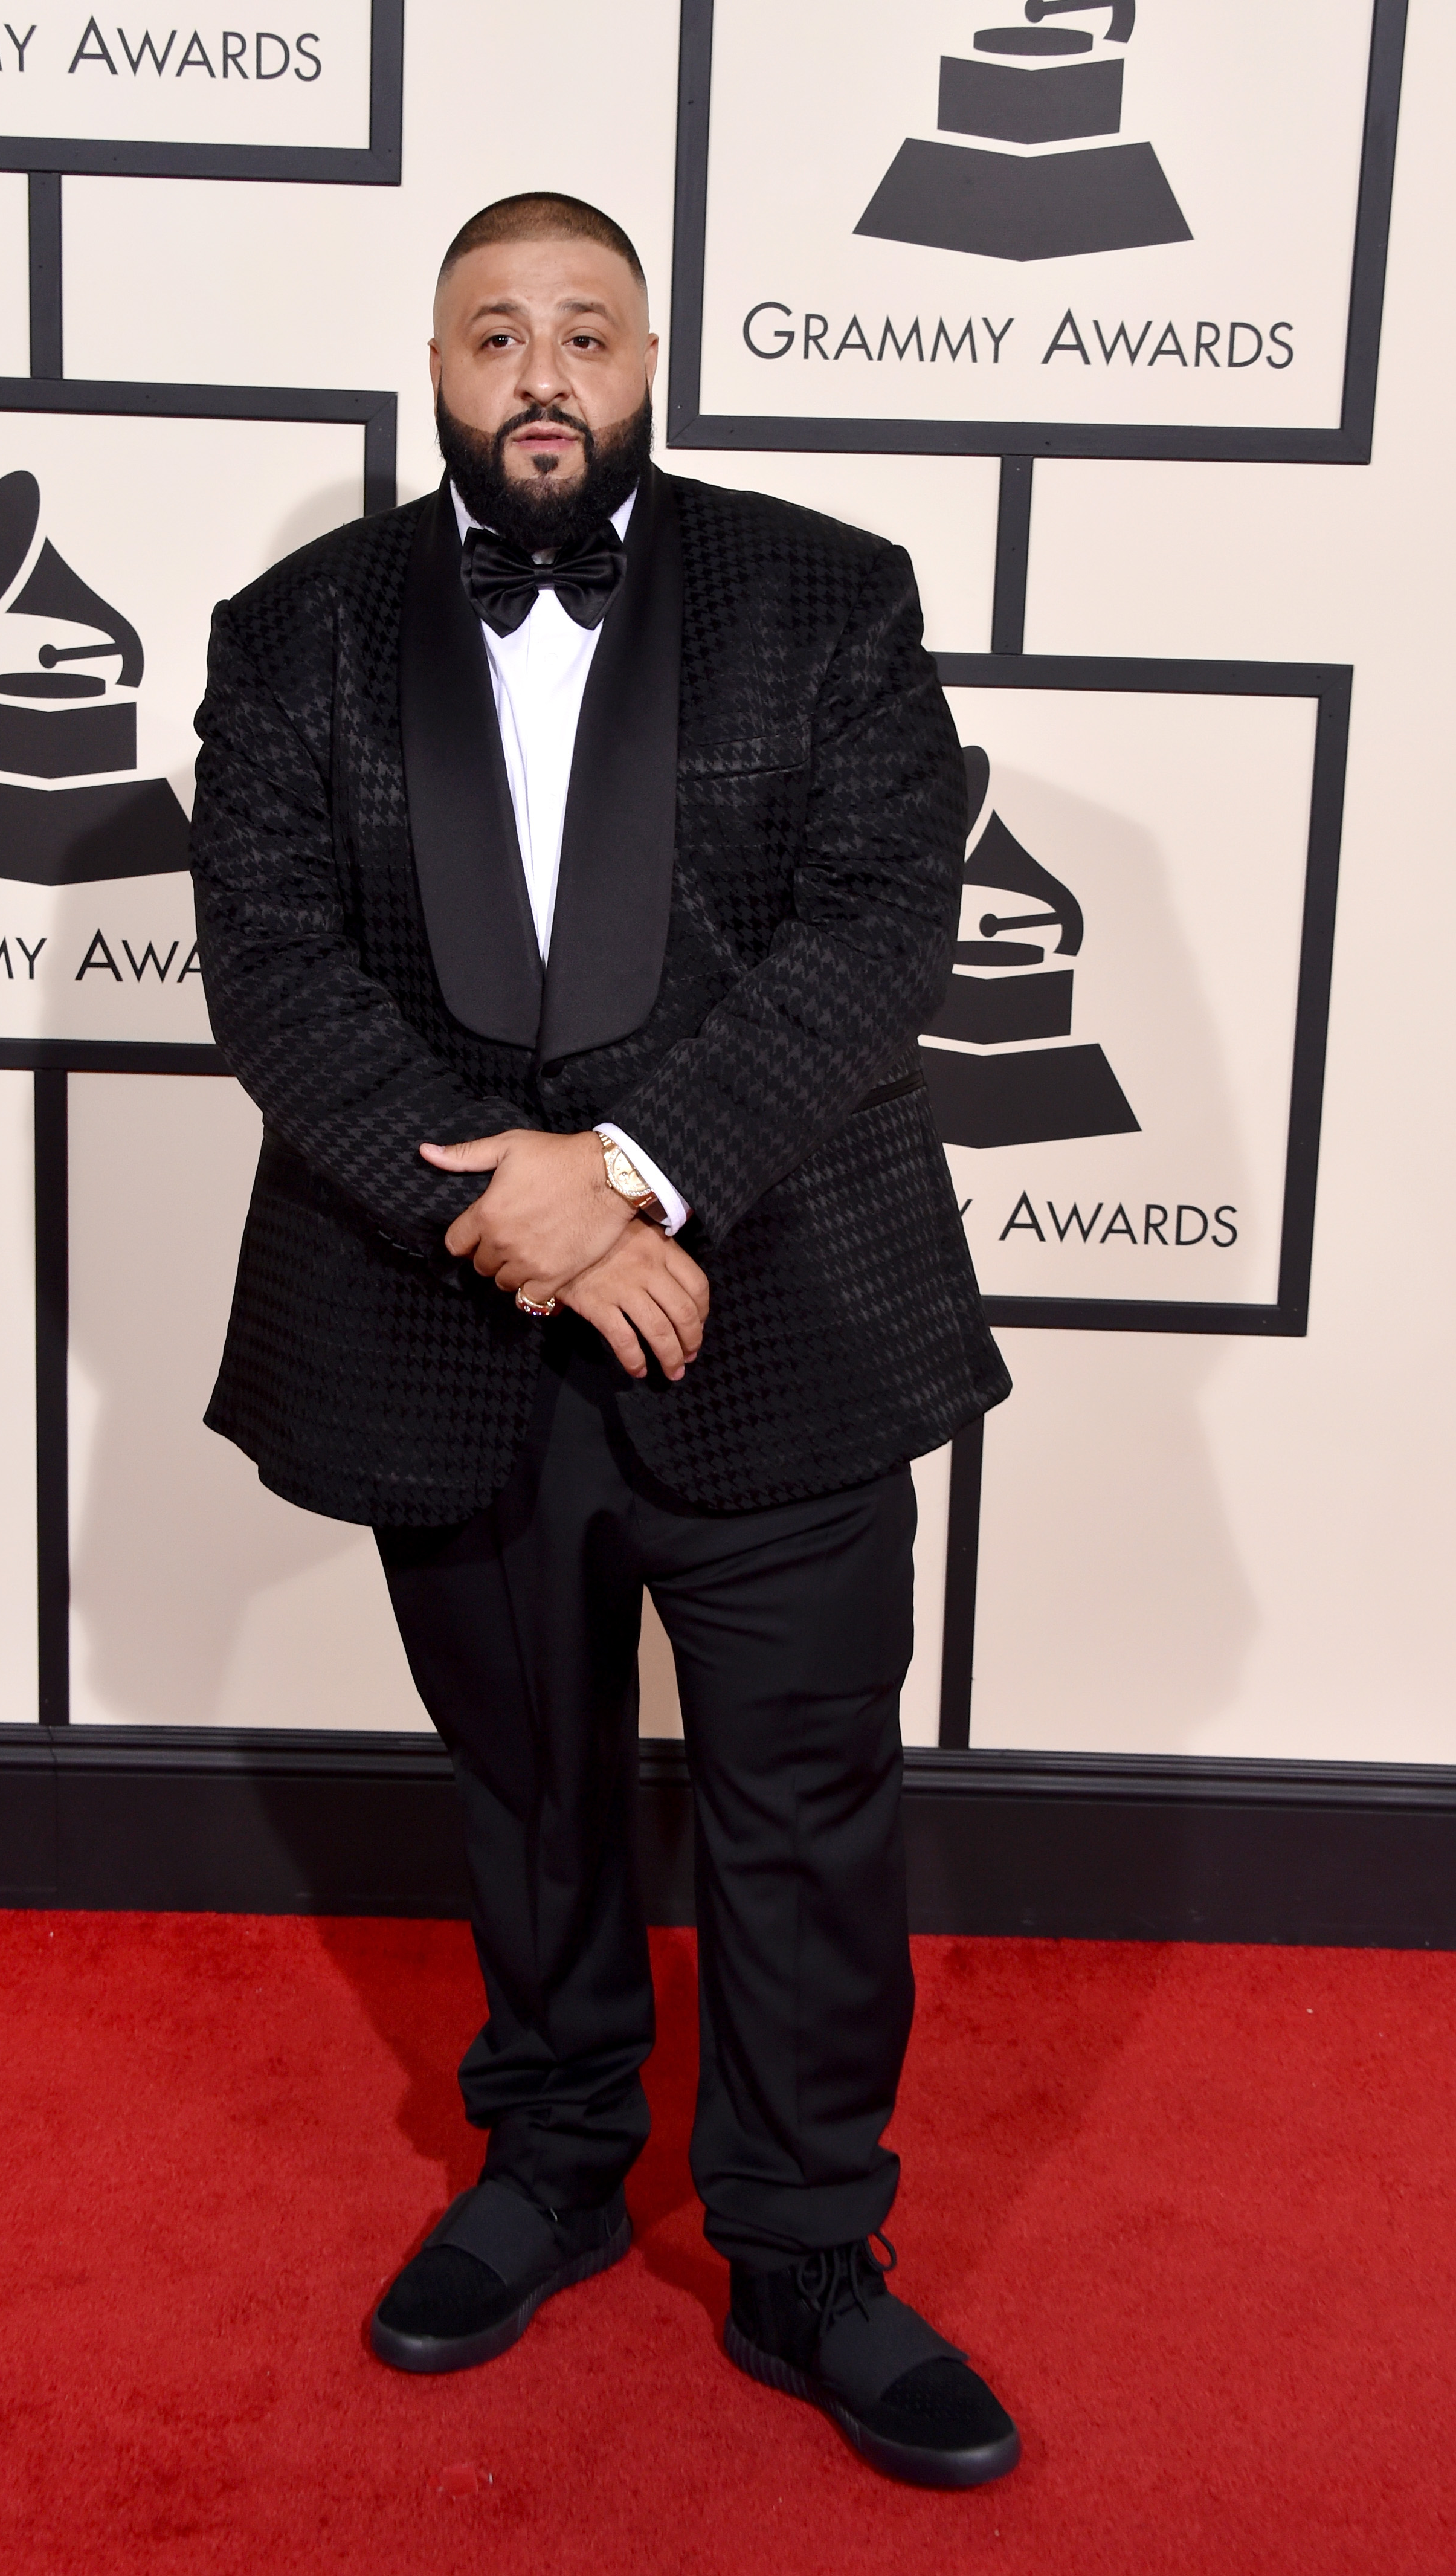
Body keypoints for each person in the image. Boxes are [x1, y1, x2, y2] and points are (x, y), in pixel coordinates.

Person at [188, 190, 1016, 2491]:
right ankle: (551, 2170)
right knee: (532, 1797)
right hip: (452, 1334)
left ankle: (807, 2251)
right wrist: (530, 1227)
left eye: (585, 330)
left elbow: (879, 930)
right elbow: (275, 975)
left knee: (805, 1809)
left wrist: (633, 1169)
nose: (540, 369)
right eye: (493, 332)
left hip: (781, 1312)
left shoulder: (826, 594)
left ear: (652, 354)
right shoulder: (294, 633)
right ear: (435, 361)